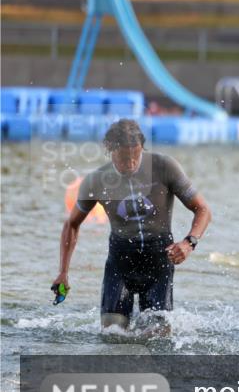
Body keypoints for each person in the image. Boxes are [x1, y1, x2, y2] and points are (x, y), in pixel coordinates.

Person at [52, 120, 212, 334]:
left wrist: (189, 242)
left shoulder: (165, 167)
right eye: (123, 159)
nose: (130, 163)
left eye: (135, 156)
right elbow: (72, 224)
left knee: (157, 335)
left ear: (142, 148)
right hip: (120, 265)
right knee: (112, 334)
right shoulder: (95, 181)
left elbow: (203, 209)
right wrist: (63, 272)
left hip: (159, 263)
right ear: (110, 150)